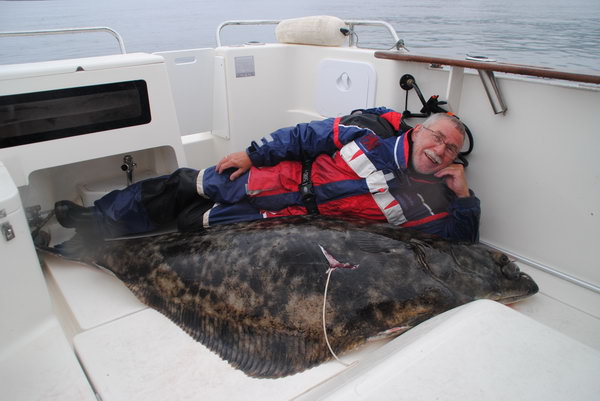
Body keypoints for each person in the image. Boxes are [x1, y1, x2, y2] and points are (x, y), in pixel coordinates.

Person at [55, 107, 480, 242]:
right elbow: (302, 137)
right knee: (183, 184)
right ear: (418, 130)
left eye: (449, 150)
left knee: (190, 223)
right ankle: (99, 220)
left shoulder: (430, 203)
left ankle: (113, 236)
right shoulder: (367, 135)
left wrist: (464, 197)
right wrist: (251, 154)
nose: (439, 150)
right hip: (274, 178)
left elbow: (459, 245)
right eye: (437, 137)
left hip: (285, 221)